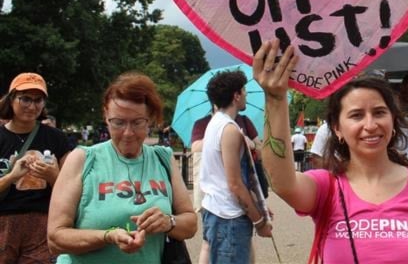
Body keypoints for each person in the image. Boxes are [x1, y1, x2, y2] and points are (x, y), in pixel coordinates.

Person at [256, 39, 408, 263]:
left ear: (393, 121)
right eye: (356, 115)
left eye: (379, 112)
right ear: (337, 129)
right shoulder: (327, 186)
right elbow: (281, 181)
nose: (370, 125)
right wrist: (276, 100)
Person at [47, 72, 197, 263]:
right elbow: (55, 238)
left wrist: (169, 222)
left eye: (137, 122)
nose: (128, 133)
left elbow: (190, 224)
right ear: (106, 115)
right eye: (118, 122)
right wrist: (107, 236)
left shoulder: (163, 158)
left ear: (149, 118)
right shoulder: (83, 159)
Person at [200, 70, 272, 264]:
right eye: (245, 90)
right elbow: (235, 184)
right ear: (236, 95)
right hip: (229, 217)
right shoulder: (229, 129)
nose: (246, 94)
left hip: (216, 212)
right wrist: (259, 221)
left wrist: (258, 206)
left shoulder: (215, 123)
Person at [0, 72, 71, 263]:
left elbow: (72, 191)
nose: (32, 106)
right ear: (11, 99)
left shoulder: (57, 138)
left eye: (38, 100)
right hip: (3, 223)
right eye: (25, 99)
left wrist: (53, 176)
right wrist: (11, 177)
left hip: (42, 223)